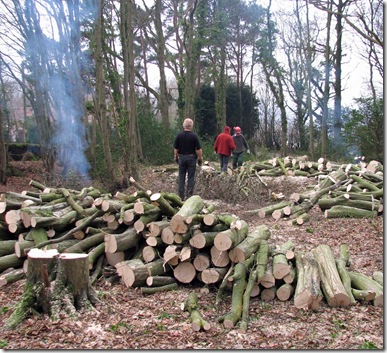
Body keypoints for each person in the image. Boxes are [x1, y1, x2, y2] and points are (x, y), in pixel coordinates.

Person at [173, 118, 203, 200]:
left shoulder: (179, 135)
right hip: (191, 158)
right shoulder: (194, 136)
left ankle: (181, 196)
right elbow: (199, 149)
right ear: (191, 126)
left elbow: (176, 148)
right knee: (191, 177)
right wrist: (200, 158)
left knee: (181, 176)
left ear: (184, 125)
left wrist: (175, 156)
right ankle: (189, 195)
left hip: (182, 157)